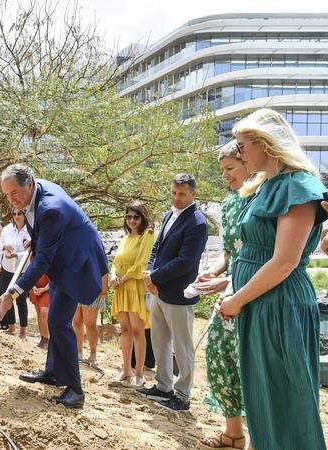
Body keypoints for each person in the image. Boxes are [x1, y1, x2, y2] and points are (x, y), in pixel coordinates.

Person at [217, 108, 328, 450]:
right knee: (263, 396)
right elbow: (250, 252)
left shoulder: (298, 186)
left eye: (242, 146)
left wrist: (236, 300)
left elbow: (284, 261)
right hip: (258, 301)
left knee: (284, 401)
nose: (240, 154)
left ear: (266, 144)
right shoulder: (267, 185)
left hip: (278, 303)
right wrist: (233, 291)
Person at [0, 164, 109, 409]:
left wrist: (12, 293)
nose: (11, 199)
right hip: (61, 261)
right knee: (55, 319)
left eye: (14, 193)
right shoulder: (36, 189)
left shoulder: (50, 208)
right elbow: (43, 232)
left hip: (76, 265)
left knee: (58, 321)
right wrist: (37, 240)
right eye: (6, 194)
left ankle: (75, 390)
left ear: (29, 184)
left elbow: (43, 260)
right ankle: (54, 372)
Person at [194, 141, 249, 450]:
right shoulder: (229, 204)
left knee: (248, 363)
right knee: (219, 354)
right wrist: (211, 273)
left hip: (251, 290)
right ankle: (233, 433)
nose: (225, 175)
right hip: (229, 291)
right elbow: (228, 254)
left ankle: (256, 437)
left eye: (230, 168)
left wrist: (228, 281)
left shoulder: (261, 199)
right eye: (223, 170)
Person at [137, 173, 208, 412]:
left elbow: (185, 262)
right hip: (157, 291)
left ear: (193, 194)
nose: (176, 198)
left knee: (182, 347)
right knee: (160, 342)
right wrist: (150, 274)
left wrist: (154, 277)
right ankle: (163, 386)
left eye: (182, 194)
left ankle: (183, 396)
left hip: (179, 294)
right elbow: (157, 248)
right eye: (174, 193)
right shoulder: (169, 214)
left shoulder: (197, 223)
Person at [110, 200, 155, 388]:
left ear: (142, 218)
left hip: (135, 286)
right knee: (125, 330)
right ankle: (126, 370)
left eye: (136, 217)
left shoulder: (147, 235)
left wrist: (123, 278)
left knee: (138, 330)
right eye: (128, 217)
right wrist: (113, 276)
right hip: (121, 288)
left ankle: (139, 373)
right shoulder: (125, 238)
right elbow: (116, 262)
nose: (131, 220)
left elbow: (142, 263)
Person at [0, 210, 31, 338]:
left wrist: (16, 255)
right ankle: (11, 326)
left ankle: (23, 330)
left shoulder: (30, 230)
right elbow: (0, 243)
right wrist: (5, 247)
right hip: (7, 268)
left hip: (22, 269)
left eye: (19, 214)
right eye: (14, 214)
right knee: (6, 296)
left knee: (20, 299)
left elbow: (31, 251)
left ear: (25, 215)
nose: (16, 216)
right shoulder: (6, 229)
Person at [28, 261, 51, 350]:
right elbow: (30, 271)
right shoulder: (33, 256)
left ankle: (48, 339)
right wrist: (32, 286)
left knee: (44, 312)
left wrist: (45, 289)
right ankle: (43, 338)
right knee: (39, 314)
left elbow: (56, 275)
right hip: (36, 288)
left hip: (49, 288)